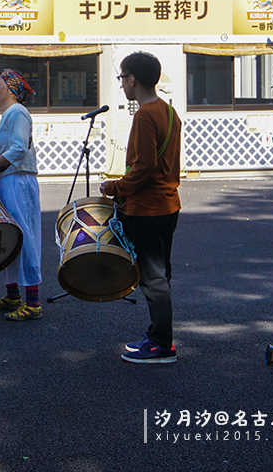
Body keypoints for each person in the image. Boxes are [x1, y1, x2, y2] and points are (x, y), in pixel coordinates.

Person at [99, 51, 182, 364]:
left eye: (122, 77)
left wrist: (115, 187)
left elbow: (144, 165)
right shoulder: (170, 113)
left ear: (133, 79)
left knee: (152, 279)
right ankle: (158, 335)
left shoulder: (144, 115)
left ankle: (161, 345)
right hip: (168, 204)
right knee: (161, 275)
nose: (121, 84)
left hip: (147, 208)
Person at [0, 70, 41, 320]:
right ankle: (13, 295)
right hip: (7, 180)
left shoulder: (18, 112)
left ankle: (33, 302)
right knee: (6, 236)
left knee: (22, 236)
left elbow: (19, 149)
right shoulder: (8, 115)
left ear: (11, 90)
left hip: (17, 181)